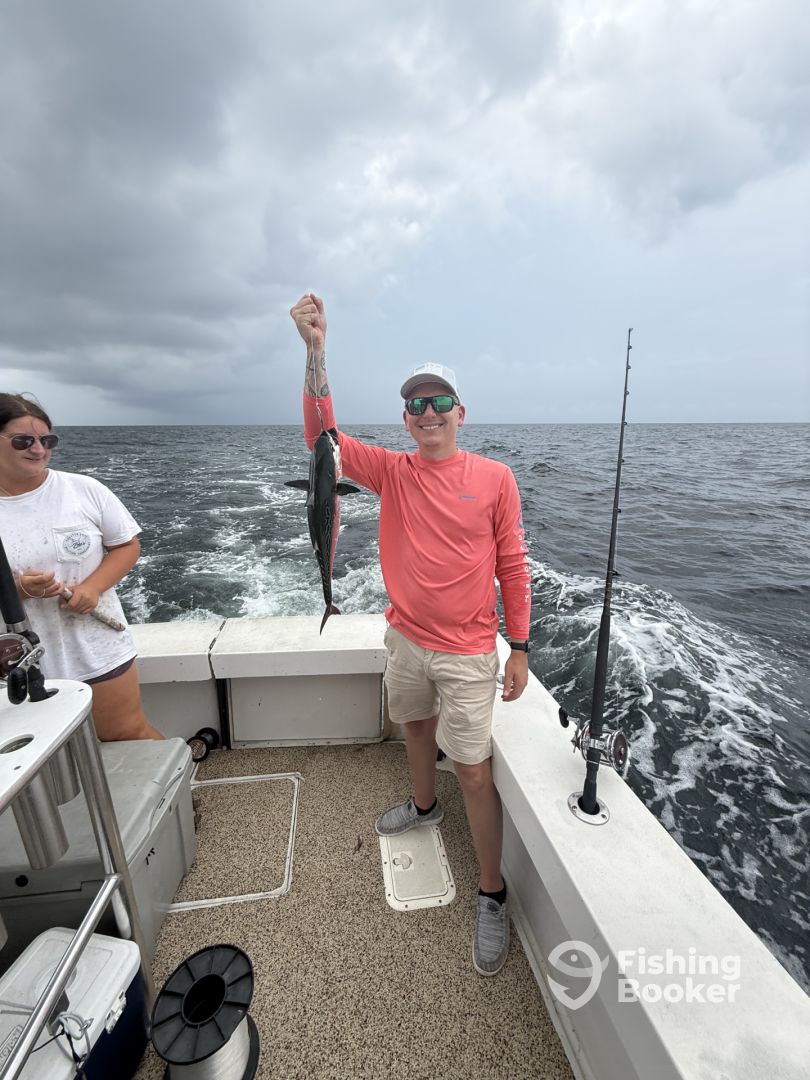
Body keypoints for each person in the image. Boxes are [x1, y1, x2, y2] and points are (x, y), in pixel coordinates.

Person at [290, 294, 531, 976]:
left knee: (475, 772)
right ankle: (424, 806)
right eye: (416, 404)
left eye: (440, 401)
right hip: (405, 638)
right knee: (416, 729)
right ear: (405, 419)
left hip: (468, 650)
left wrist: (519, 646)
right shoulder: (391, 471)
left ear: (461, 412)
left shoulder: (495, 478)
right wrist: (315, 352)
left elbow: (513, 565)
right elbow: (322, 439)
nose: (429, 413)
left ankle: (492, 891)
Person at [0, 393, 162, 740]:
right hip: (12, 665)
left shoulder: (83, 489)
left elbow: (126, 545)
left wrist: (92, 588)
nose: (38, 449)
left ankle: (184, 777)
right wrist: (19, 591)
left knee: (127, 733)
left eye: (47, 441)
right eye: (23, 441)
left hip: (93, 648)